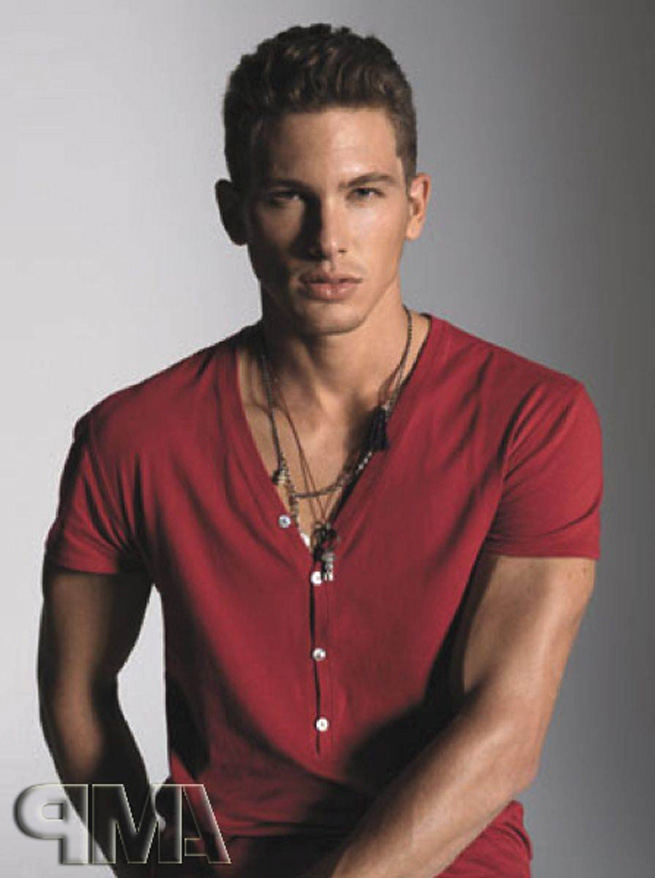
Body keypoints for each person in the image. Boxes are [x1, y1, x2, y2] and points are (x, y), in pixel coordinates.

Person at [38, 22, 603, 878]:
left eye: (363, 192)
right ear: (234, 212)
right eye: (287, 197)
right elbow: (76, 695)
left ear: (415, 206)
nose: (327, 237)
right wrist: (152, 870)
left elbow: (506, 730)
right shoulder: (132, 438)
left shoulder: (531, 418)